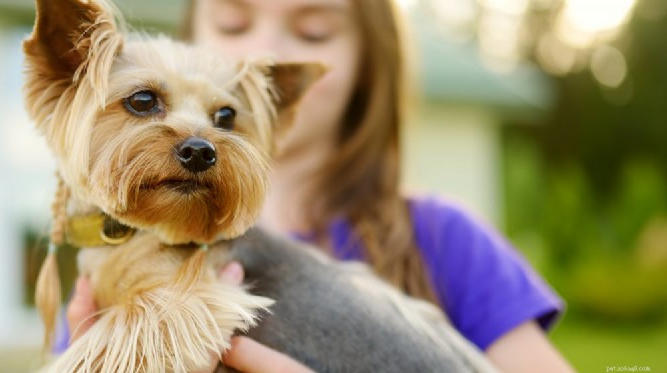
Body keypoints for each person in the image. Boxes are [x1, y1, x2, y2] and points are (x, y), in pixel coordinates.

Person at [62, 0, 576, 371]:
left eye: (313, 31)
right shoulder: (111, 270)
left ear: (371, 64)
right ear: (192, 25)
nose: (266, 48)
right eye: (235, 21)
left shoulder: (445, 239)